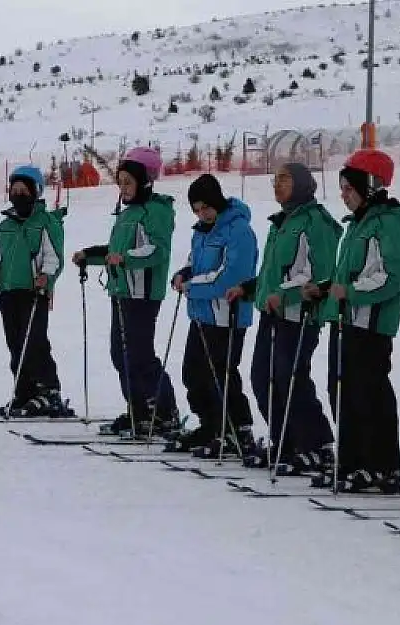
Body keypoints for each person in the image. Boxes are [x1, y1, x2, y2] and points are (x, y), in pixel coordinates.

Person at [303, 149, 400, 493]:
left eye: (349, 187)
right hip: (347, 321)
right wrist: (326, 290)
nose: (343, 194)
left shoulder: (386, 225)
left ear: (370, 187)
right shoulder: (357, 226)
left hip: (371, 324)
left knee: (369, 393)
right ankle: (352, 459)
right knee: (343, 392)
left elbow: (389, 277)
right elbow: (349, 274)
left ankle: (380, 464)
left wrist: (348, 292)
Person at [239, 162, 341, 473]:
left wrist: (286, 295)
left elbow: (319, 273)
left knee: (290, 377)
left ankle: (313, 443)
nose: (277, 185)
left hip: (300, 314)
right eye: (275, 179)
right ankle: (284, 438)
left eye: (284, 179)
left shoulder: (315, 222)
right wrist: (253, 289)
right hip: (273, 313)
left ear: (301, 184)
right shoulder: (281, 222)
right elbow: (275, 272)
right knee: (262, 376)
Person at [73, 147, 180, 438]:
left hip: (143, 293)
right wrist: (90, 256)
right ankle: (138, 410)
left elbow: (156, 250)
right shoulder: (128, 213)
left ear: (145, 181)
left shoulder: (155, 211)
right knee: (120, 355)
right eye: (120, 182)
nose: (123, 188)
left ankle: (164, 411)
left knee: (139, 355)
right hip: (121, 290)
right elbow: (116, 252)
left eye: (128, 182)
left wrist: (126, 259)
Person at [167, 174, 259, 458]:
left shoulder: (238, 230)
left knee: (220, 374)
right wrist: (182, 275)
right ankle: (211, 424)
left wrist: (191, 287)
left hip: (226, 315)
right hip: (202, 314)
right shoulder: (202, 231)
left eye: (205, 207)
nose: (202, 214)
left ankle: (236, 427)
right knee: (193, 373)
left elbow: (228, 276)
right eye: (196, 209)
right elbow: (194, 263)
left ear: (217, 202)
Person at [0, 165, 70, 417]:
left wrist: (46, 277)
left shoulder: (45, 223)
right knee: (15, 343)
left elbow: (54, 257)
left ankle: (48, 391)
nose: (18, 195)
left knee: (35, 342)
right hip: (9, 292)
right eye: (14, 190)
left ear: (35, 192)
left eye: (23, 191)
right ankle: (24, 391)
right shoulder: (5, 225)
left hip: (34, 292)